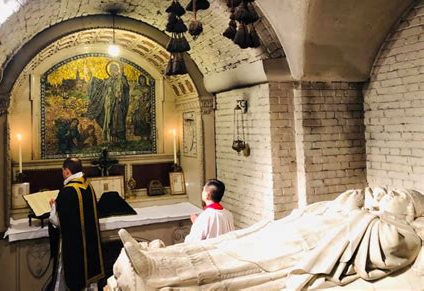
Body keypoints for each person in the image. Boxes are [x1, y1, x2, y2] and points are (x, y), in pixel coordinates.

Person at [110, 188, 423, 290]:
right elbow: (340, 203)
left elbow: (394, 248)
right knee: (229, 244)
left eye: (396, 195)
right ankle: (159, 260)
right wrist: (349, 203)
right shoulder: (364, 206)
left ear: (408, 209)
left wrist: (363, 214)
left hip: (305, 244)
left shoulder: (397, 229)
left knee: (240, 258)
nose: (385, 192)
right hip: (292, 228)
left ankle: (162, 276)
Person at [49, 158, 105, 290]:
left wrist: (53, 208)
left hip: (74, 248)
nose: (62, 174)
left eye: (63, 171)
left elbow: (57, 222)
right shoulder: (88, 186)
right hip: (89, 245)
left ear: (67, 171)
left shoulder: (67, 191)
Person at [85, 62, 130, 143]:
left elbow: (126, 87)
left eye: (115, 69)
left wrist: (119, 91)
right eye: (111, 69)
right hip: (108, 103)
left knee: (117, 120)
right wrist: (92, 78)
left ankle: (120, 140)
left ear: (118, 69)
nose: (113, 71)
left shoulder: (121, 78)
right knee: (105, 119)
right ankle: (110, 139)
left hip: (117, 103)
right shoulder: (108, 80)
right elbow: (100, 85)